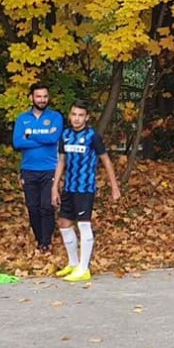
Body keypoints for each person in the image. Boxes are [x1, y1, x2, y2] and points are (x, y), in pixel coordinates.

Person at [51, 101, 121, 282]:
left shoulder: (92, 136)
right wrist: (54, 186)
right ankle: (73, 263)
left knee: (83, 224)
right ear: (70, 115)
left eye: (81, 115)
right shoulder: (65, 135)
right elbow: (61, 161)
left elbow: (105, 160)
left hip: (85, 188)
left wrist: (114, 187)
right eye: (74, 114)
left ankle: (84, 268)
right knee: (64, 223)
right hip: (69, 187)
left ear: (87, 117)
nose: (76, 118)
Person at [12, 83, 63, 255]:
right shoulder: (22, 119)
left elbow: (53, 138)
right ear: (31, 98)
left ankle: (46, 243)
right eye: (39, 96)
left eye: (45, 96)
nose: (42, 100)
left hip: (50, 168)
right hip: (28, 169)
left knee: (47, 206)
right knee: (33, 207)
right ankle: (39, 239)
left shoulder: (55, 117)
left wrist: (30, 134)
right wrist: (44, 136)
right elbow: (18, 142)